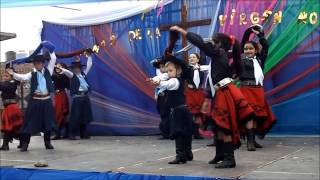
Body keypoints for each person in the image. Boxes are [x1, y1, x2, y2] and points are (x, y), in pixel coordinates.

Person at [170, 26, 255, 168]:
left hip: (225, 92)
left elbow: (202, 45)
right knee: (217, 124)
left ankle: (230, 158)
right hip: (221, 91)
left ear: (219, 44)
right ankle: (221, 154)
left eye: (214, 42)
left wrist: (183, 31)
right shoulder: (221, 56)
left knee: (224, 124)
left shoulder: (219, 53)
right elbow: (213, 78)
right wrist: (208, 97)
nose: (211, 44)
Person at [7, 44, 57, 152]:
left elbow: (53, 58)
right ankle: (25, 144)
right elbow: (23, 77)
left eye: (38, 63)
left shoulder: (48, 70)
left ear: (43, 64)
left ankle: (47, 143)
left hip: (46, 100)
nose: (37, 65)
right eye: (35, 64)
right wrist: (13, 74)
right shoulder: (32, 73)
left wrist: (49, 47)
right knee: (29, 122)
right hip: (35, 100)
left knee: (47, 122)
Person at [236, 24, 276, 151]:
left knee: (257, 116)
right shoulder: (241, 59)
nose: (248, 51)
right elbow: (242, 45)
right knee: (249, 115)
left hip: (258, 90)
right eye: (246, 49)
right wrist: (247, 32)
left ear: (255, 50)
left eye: (250, 49)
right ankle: (250, 142)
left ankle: (252, 139)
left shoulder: (259, 60)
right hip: (246, 90)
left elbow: (266, 47)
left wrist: (260, 36)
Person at [150, 55, 193, 164]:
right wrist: (155, 79)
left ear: (178, 71)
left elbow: (167, 84)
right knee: (185, 132)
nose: (168, 73)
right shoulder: (172, 76)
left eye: (170, 70)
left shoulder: (175, 81)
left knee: (179, 132)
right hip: (182, 110)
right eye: (167, 71)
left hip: (179, 111)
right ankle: (187, 153)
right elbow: (162, 76)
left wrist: (159, 83)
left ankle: (181, 155)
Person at [57, 49, 93, 140]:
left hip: (85, 97)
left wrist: (89, 56)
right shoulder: (72, 76)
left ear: (80, 68)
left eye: (78, 67)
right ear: (73, 69)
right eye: (75, 68)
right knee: (75, 117)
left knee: (85, 116)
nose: (77, 69)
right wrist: (60, 68)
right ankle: (72, 134)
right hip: (77, 98)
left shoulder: (83, 74)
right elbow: (66, 72)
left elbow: (89, 65)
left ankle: (83, 133)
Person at [0, 65, 23, 151]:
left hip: (12, 108)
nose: (4, 77)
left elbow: (7, 86)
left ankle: (21, 143)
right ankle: (6, 145)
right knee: (10, 127)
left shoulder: (13, 83)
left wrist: (12, 73)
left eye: (6, 75)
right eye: (4, 75)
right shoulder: (4, 83)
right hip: (8, 108)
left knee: (13, 127)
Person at [185, 52, 207, 139]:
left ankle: (197, 132)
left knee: (199, 112)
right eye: (190, 57)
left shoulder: (202, 68)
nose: (191, 58)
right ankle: (190, 132)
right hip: (190, 91)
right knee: (190, 111)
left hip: (199, 91)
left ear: (198, 59)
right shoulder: (187, 68)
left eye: (193, 57)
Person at [151, 58, 170, 139]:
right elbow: (157, 85)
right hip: (161, 97)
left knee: (167, 114)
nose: (161, 68)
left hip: (168, 97)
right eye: (160, 67)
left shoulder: (169, 76)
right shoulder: (160, 76)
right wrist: (156, 93)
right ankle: (165, 133)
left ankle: (169, 132)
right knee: (163, 114)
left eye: (163, 66)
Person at [51, 62, 70, 140]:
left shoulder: (64, 76)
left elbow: (67, 85)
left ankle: (61, 133)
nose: (57, 68)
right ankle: (60, 133)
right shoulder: (54, 76)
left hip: (62, 95)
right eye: (56, 66)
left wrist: (61, 69)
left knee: (62, 113)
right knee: (59, 114)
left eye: (59, 66)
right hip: (57, 96)